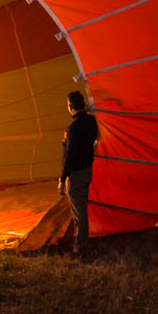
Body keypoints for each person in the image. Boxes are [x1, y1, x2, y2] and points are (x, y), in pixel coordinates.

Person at [58, 91, 99, 258]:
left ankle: (80, 249)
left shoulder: (73, 128)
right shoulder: (91, 121)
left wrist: (62, 178)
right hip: (87, 170)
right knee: (81, 210)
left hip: (76, 174)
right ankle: (80, 244)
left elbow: (71, 155)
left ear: (70, 107)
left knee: (79, 214)